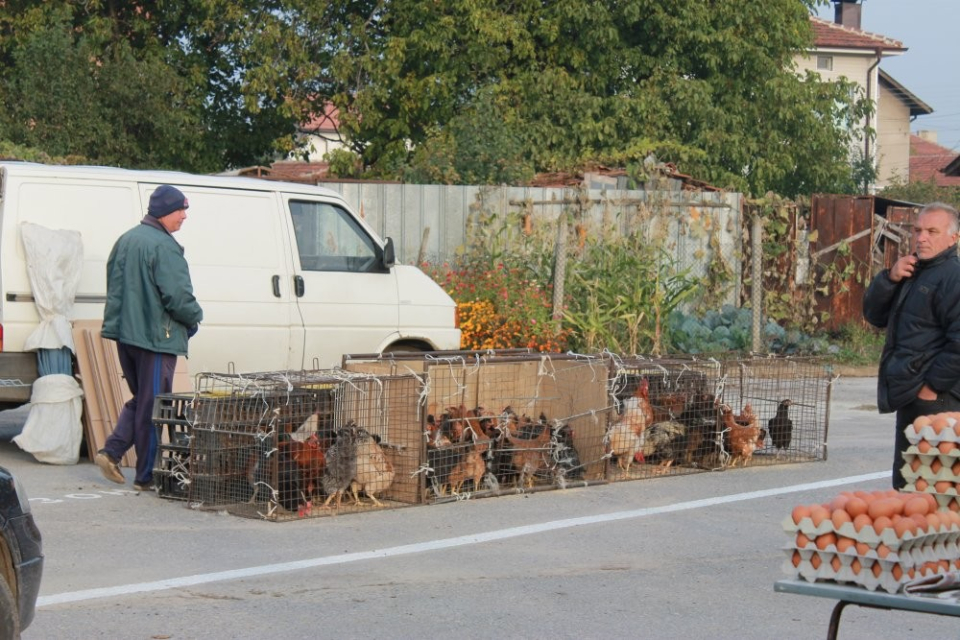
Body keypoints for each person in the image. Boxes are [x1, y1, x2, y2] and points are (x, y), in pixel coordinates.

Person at [95, 185, 203, 491]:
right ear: (164, 212)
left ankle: (112, 452)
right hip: (155, 339)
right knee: (155, 407)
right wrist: (195, 317)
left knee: (144, 401)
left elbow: (116, 288)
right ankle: (147, 476)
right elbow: (178, 297)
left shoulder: (126, 240)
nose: (184, 216)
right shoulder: (163, 246)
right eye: (180, 210)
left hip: (126, 337)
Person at [863, 202, 960, 490]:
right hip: (911, 395)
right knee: (908, 482)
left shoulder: (953, 277)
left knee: (934, 487)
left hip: (938, 399)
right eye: (918, 230)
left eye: (932, 231)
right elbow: (874, 315)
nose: (921, 237)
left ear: (953, 238)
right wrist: (889, 279)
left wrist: (930, 388)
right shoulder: (912, 270)